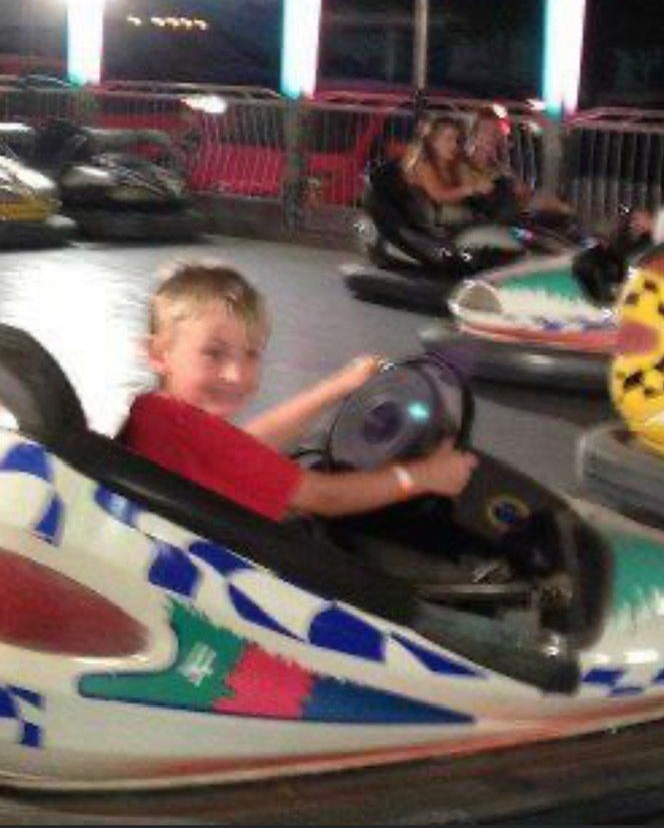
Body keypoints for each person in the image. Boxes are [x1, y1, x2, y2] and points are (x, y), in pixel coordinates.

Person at [120, 261, 477, 522]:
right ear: (157, 354)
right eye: (213, 353)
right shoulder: (186, 427)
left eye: (251, 354)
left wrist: (336, 387)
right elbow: (324, 496)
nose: (236, 375)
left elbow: (243, 445)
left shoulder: (156, 413)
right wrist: (423, 477)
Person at [463, 110, 573, 220]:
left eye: (495, 131)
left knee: (559, 207)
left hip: (508, 217)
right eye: (486, 130)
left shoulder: (500, 168)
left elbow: (523, 192)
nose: (491, 135)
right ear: (474, 135)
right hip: (486, 224)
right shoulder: (465, 166)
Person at [400, 115, 494, 227]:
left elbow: (470, 179)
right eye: (448, 140)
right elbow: (439, 195)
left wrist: (478, 182)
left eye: (456, 140)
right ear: (433, 141)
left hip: (450, 212)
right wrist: (471, 189)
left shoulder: (453, 162)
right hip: (431, 218)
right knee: (478, 218)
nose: (454, 145)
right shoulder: (423, 164)